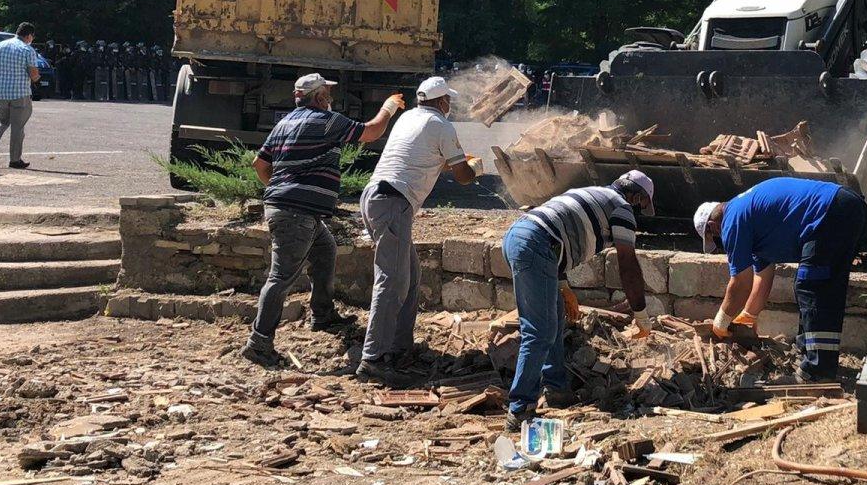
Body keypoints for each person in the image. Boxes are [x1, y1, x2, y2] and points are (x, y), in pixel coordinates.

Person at [241, 73, 404, 368]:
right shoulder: (326, 120)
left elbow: (259, 164)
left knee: (325, 251)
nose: (331, 98)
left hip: (294, 211)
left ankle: (322, 314)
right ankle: (258, 342)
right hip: (296, 213)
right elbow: (371, 132)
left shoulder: (284, 123)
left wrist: (279, 191)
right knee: (280, 278)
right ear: (318, 98)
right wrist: (389, 107)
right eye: (327, 94)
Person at [502, 171, 656, 432]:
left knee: (554, 316)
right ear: (635, 195)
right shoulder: (621, 208)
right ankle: (520, 409)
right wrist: (640, 313)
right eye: (641, 203)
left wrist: (562, 285)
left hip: (519, 235)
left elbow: (556, 229)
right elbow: (628, 265)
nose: (638, 210)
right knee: (539, 332)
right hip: (536, 245)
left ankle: (557, 388)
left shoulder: (590, 192)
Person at [357, 76, 482, 381]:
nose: (449, 105)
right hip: (392, 202)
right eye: (448, 101)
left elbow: (422, 158)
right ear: (441, 102)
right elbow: (463, 176)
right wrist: (476, 167)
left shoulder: (409, 118)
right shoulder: (441, 125)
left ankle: (399, 348)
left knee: (409, 277)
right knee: (392, 282)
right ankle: (373, 358)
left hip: (374, 197)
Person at [693, 177, 867, 383]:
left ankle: (817, 372)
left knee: (812, 286)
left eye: (714, 236)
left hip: (830, 212)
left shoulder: (733, 220)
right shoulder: (751, 219)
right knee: (822, 287)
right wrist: (748, 316)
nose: (719, 240)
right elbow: (762, 277)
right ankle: (812, 357)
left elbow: (740, 283)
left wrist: (721, 321)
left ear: (713, 226)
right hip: (849, 207)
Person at [0, 23, 40, 169]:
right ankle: (14, 159)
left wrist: (1, 81)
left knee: (1, 120)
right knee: (17, 126)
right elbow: (33, 75)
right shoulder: (27, 50)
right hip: (20, 93)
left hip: (1, 92)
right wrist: (38, 79)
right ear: (28, 36)